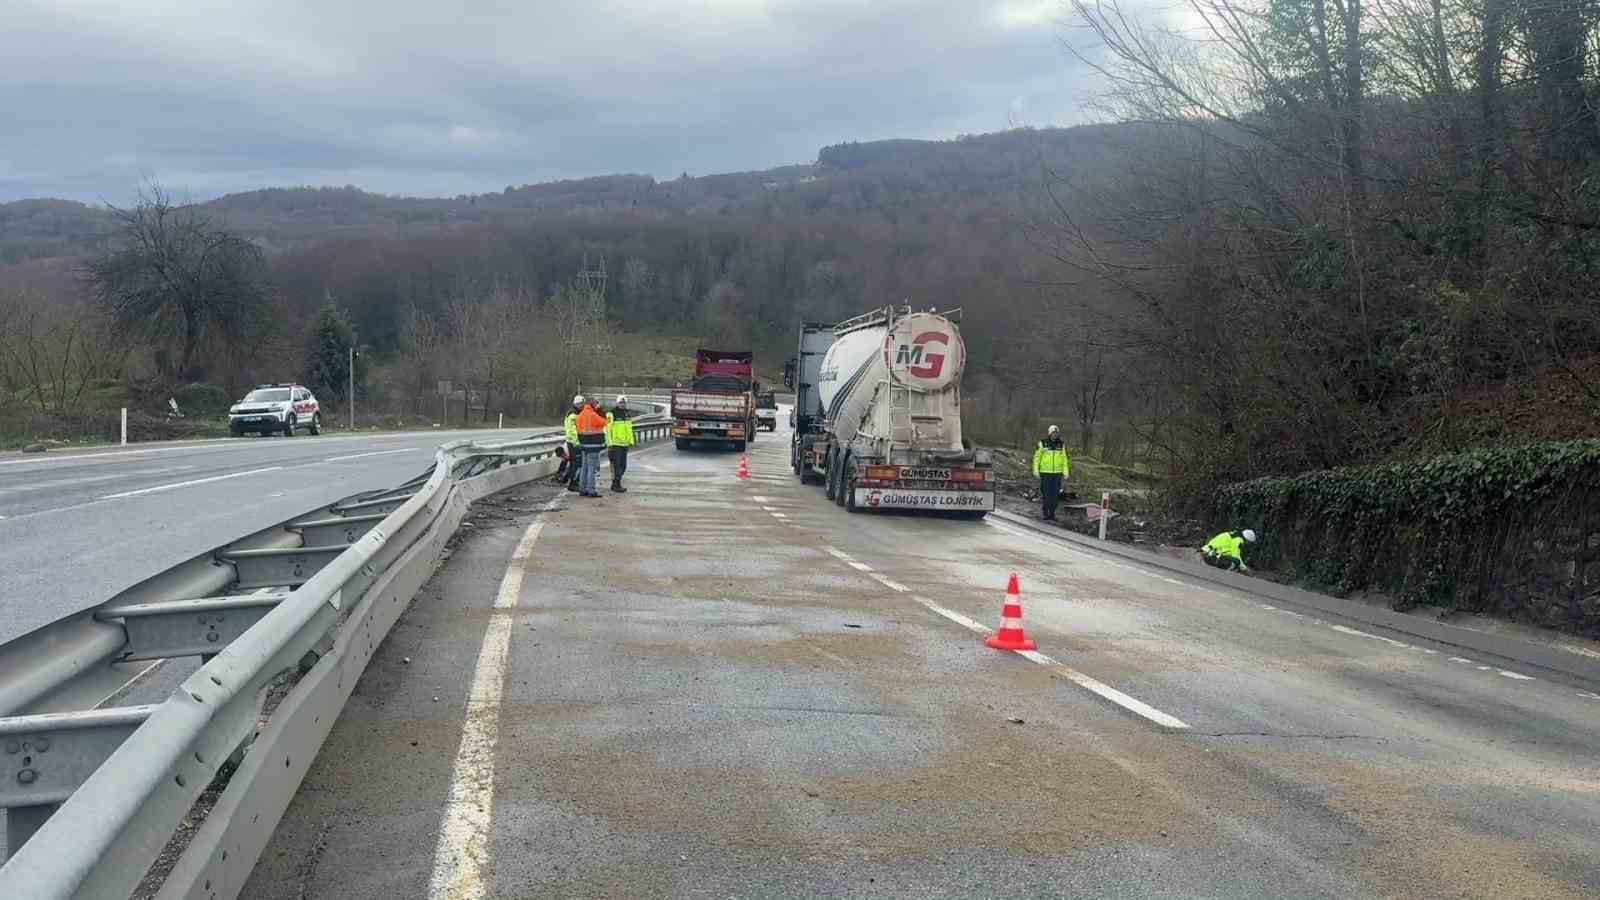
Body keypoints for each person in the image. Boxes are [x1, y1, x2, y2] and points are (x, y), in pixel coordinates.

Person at [1032, 425, 1070, 521]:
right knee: (1046, 494)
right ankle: (1045, 512)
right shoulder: (1043, 443)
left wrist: (1065, 472)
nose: (1055, 435)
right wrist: (1036, 470)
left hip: (1057, 473)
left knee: (1055, 495)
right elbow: (1037, 458)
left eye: (1056, 433)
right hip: (1045, 473)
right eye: (1053, 433)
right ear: (1050, 433)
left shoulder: (1061, 444)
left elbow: (1064, 459)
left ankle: (1052, 514)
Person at [575, 397, 609, 498]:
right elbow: (605, 422)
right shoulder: (593, 415)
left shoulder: (580, 415)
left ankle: (582, 488)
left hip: (584, 445)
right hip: (593, 445)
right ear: (593, 405)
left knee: (584, 467)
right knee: (591, 469)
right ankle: (591, 490)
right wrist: (600, 410)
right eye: (597, 404)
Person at [606, 395, 636, 492]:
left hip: (625, 444)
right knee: (617, 465)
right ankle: (616, 484)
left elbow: (629, 429)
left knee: (623, 466)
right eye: (620, 402)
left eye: (624, 403)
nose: (622, 404)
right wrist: (609, 443)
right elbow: (607, 429)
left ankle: (617, 482)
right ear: (617, 403)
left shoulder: (627, 413)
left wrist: (631, 441)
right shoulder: (611, 414)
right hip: (615, 444)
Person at [562, 395, 584, 492]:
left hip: (575, 442)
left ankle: (570, 480)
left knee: (575, 463)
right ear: (575, 403)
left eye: (583, 404)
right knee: (577, 464)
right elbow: (572, 431)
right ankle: (573, 483)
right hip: (574, 443)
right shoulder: (573, 414)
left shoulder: (578, 413)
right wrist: (577, 442)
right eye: (580, 404)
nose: (581, 405)